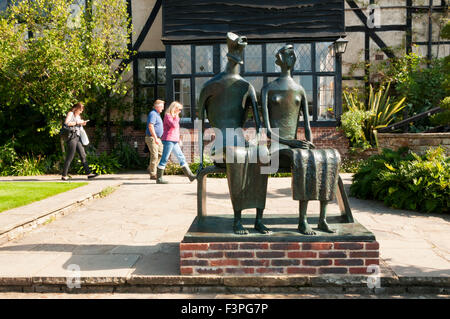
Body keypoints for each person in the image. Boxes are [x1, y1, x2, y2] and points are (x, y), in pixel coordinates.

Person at [261, 44, 340, 235]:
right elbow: (269, 132)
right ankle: (303, 220)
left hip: (296, 147)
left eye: (291, 55)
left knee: (329, 158)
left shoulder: (300, 90)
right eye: (285, 55)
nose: (290, 58)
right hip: (278, 148)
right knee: (303, 160)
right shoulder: (268, 89)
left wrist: (310, 145)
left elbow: (306, 126)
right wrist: (292, 143)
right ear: (278, 60)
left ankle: (322, 218)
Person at [197, 32, 270, 235]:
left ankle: (258, 218)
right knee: (235, 155)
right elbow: (199, 122)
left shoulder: (246, 87)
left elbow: (259, 125)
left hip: (241, 145)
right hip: (221, 147)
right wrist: (200, 159)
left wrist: (256, 141)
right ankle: (238, 219)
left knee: (262, 156)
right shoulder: (210, 86)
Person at [156, 101, 196, 184]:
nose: (180, 111)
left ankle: (190, 176)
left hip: (174, 140)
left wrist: (178, 139)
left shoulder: (174, 117)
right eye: (179, 109)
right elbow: (173, 125)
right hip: (168, 140)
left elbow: (176, 130)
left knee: (181, 157)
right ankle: (159, 179)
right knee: (165, 158)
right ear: (175, 108)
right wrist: (177, 116)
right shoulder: (168, 116)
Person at [61, 102, 98, 180]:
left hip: (77, 136)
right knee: (70, 156)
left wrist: (83, 123)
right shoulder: (70, 113)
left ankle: (88, 173)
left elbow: (78, 124)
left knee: (83, 154)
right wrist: (78, 122)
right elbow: (66, 123)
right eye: (80, 110)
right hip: (71, 137)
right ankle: (64, 175)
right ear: (76, 108)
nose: (81, 112)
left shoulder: (78, 115)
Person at [145, 99, 165, 179]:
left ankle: (151, 168)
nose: (163, 109)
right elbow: (150, 126)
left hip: (157, 138)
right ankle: (153, 174)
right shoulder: (153, 114)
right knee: (155, 155)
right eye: (162, 107)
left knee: (160, 154)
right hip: (152, 138)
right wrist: (155, 137)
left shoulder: (157, 114)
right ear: (157, 106)